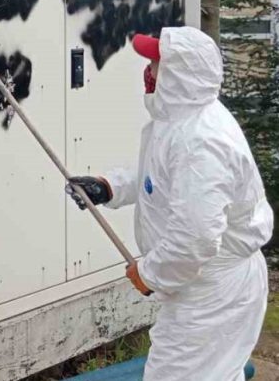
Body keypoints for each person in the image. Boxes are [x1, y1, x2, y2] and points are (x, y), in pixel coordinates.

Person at [67, 26, 273, 381]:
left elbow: (196, 238)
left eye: (155, 64)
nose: (148, 72)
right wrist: (109, 188)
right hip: (205, 283)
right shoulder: (181, 122)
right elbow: (159, 180)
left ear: (179, 74)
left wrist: (150, 274)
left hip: (214, 291)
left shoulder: (202, 142)